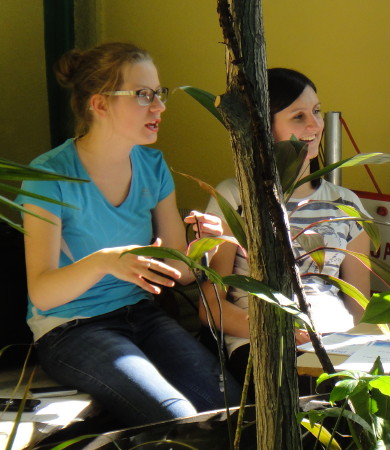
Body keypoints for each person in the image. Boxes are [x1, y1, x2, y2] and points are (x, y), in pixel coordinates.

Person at [16, 42, 241, 426]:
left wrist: (204, 247)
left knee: (233, 407)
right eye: (143, 95)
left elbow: (181, 274)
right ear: (99, 104)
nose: (160, 106)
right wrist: (105, 262)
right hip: (71, 329)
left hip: (142, 316)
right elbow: (42, 292)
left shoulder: (153, 166)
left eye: (159, 93)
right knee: (176, 419)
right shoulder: (48, 176)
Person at [201, 68, 370, 383]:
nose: (315, 125)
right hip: (263, 344)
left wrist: (357, 346)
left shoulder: (345, 203)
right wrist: (280, 331)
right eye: (298, 116)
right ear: (264, 127)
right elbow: (212, 305)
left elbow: (359, 302)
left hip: (338, 342)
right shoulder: (236, 196)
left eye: (316, 111)